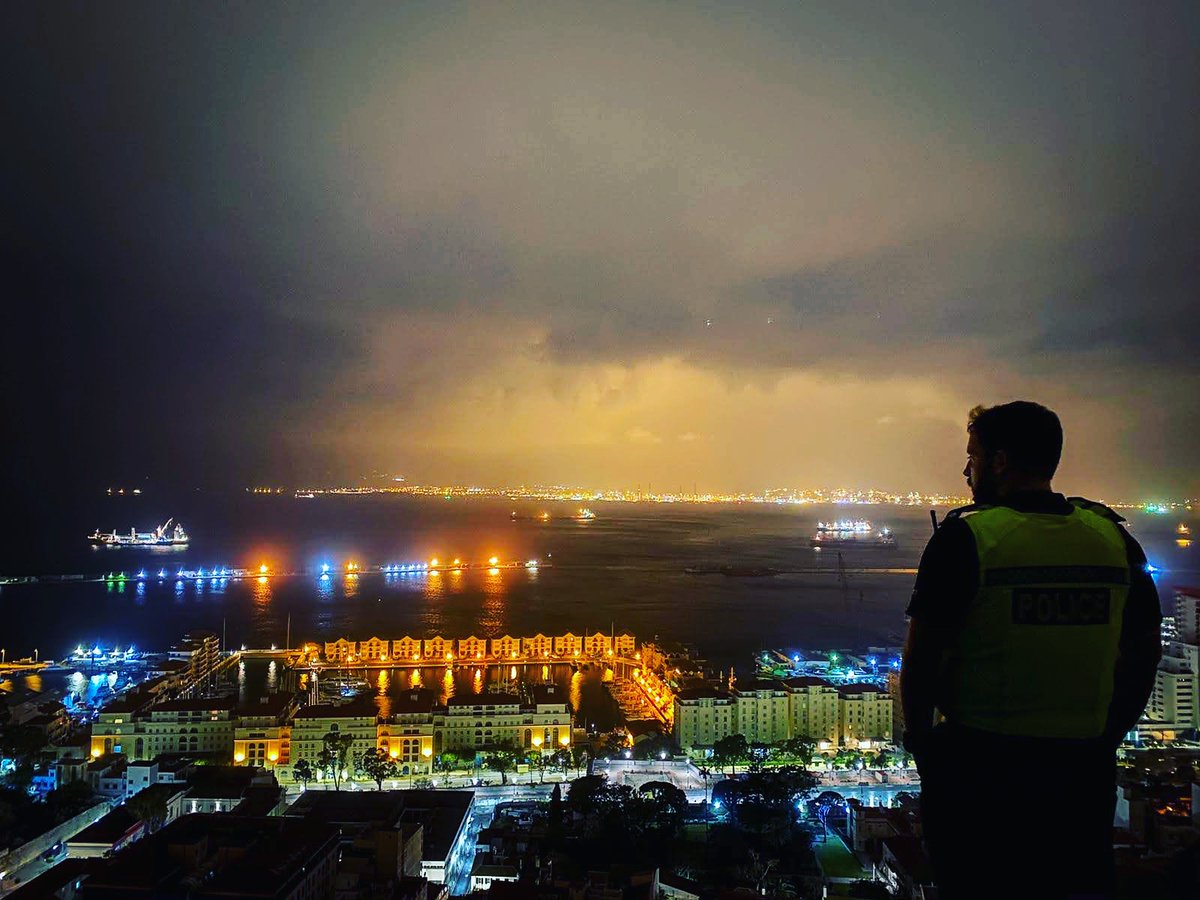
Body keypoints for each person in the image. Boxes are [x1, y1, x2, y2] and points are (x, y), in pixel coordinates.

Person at [901, 401, 1161, 899]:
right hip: (1081, 775)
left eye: (972, 456)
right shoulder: (1112, 538)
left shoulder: (967, 538)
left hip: (982, 771)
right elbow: (1144, 652)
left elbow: (920, 663)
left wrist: (923, 749)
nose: (966, 470)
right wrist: (1108, 734)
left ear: (999, 461)